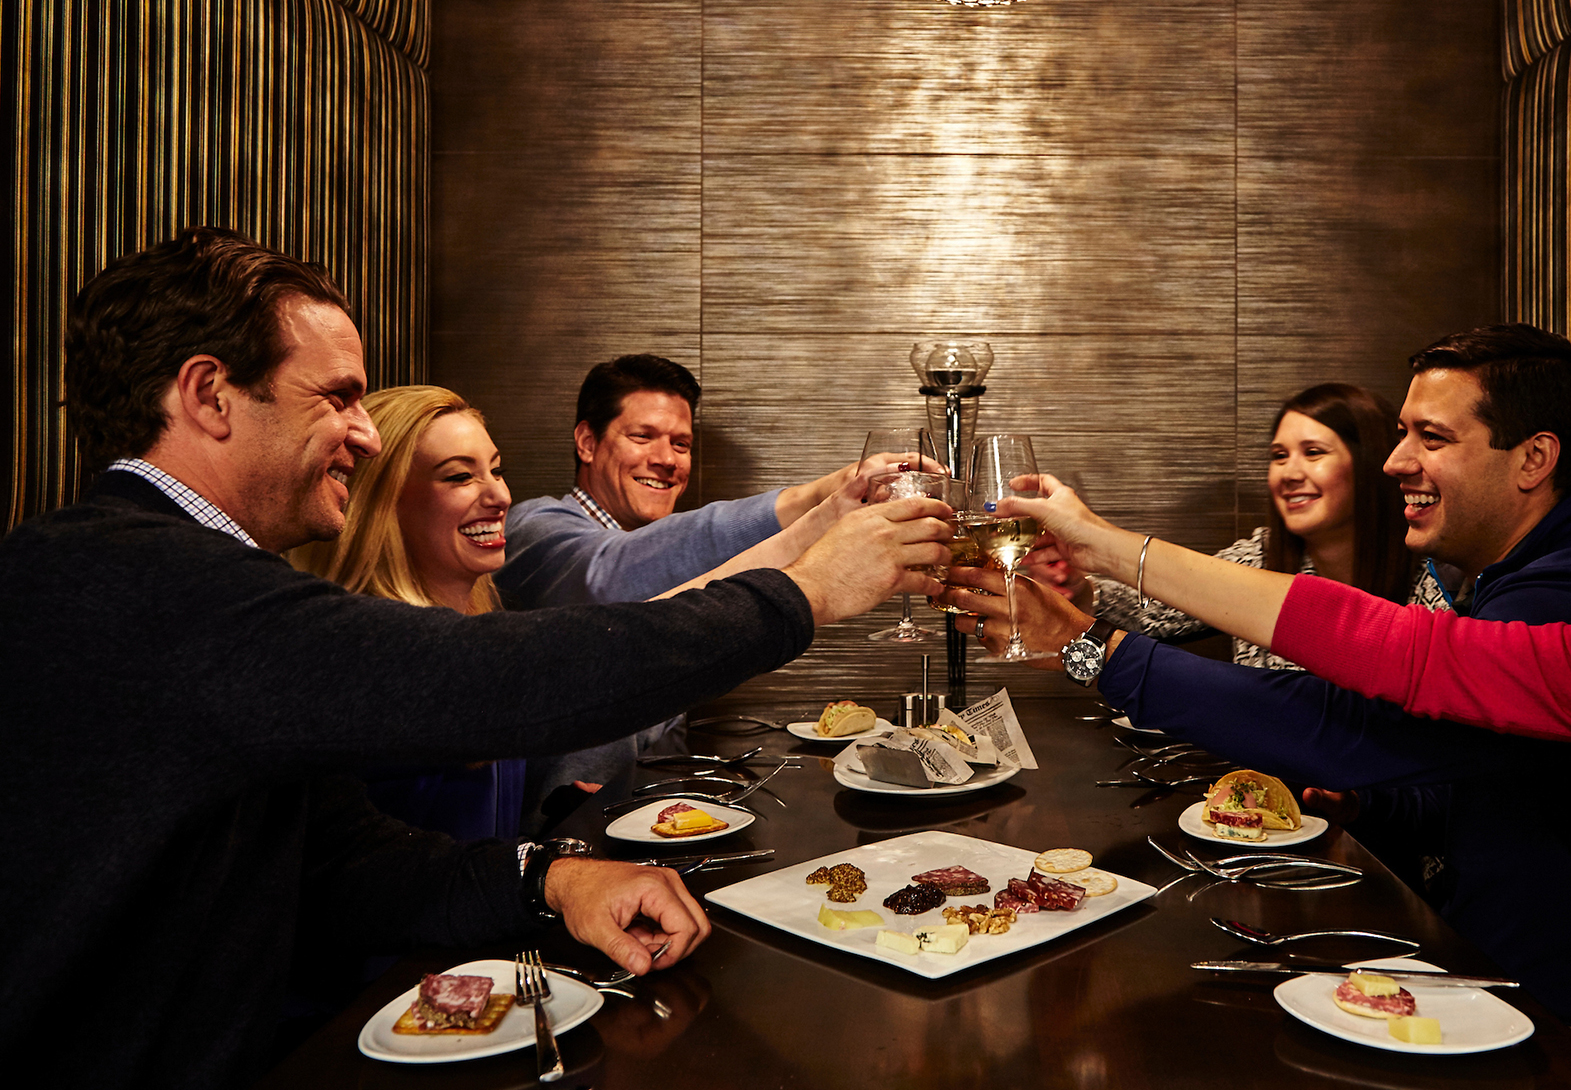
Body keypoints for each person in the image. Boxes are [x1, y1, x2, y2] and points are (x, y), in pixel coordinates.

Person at [0, 226, 948, 1090]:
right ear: (210, 395)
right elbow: (507, 679)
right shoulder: (134, 578)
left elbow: (338, 861)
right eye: (336, 397)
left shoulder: (188, 579)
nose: (364, 433)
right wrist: (806, 593)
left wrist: (549, 879)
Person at [970, 301, 1571, 1089]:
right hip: (1514, 998)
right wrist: (1104, 561)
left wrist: (1092, 619)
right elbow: (1404, 659)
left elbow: (1364, 716)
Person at [498, 354, 907, 824]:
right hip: (547, 840)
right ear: (587, 443)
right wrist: (815, 498)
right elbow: (608, 575)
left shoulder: (675, 562)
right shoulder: (533, 530)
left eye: (681, 443)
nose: (666, 459)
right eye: (642, 436)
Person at [290, 385, 526, 842]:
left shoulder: (477, 623)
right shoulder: (371, 656)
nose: (500, 495)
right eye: (460, 477)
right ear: (382, 504)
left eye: (496, 470)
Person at [1084, 382, 1450, 665]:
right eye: (1279, 456)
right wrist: (1082, 591)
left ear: (1370, 463)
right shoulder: (1259, 556)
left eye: (1313, 453)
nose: (1289, 473)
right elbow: (1155, 613)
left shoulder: (1432, 573)